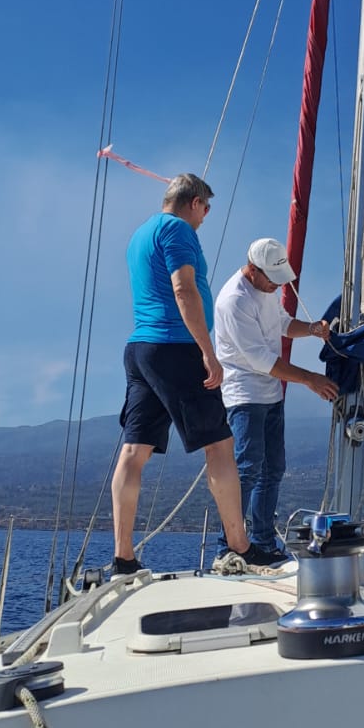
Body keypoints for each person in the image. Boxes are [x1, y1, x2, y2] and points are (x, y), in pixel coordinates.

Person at [111, 173, 254, 575]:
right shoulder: (178, 230)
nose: (205, 217)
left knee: (134, 451)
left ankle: (123, 557)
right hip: (176, 346)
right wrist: (208, 352)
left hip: (140, 350)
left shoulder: (140, 235)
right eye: (206, 208)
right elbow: (183, 289)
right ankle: (240, 547)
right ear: (194, 202)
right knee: (220, 445)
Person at [212, 237, 339, 570]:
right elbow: (259, 358)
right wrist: (310, 378)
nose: (277, 286)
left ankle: (263, 543)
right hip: (244, 395)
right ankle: (229, 546)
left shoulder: (267, 289)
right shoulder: (234, 300)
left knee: (273, 470)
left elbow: (282, 324)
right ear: (253, 269)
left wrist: (311, 329)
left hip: (271, 394)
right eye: (272, 279)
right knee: (247, 469)